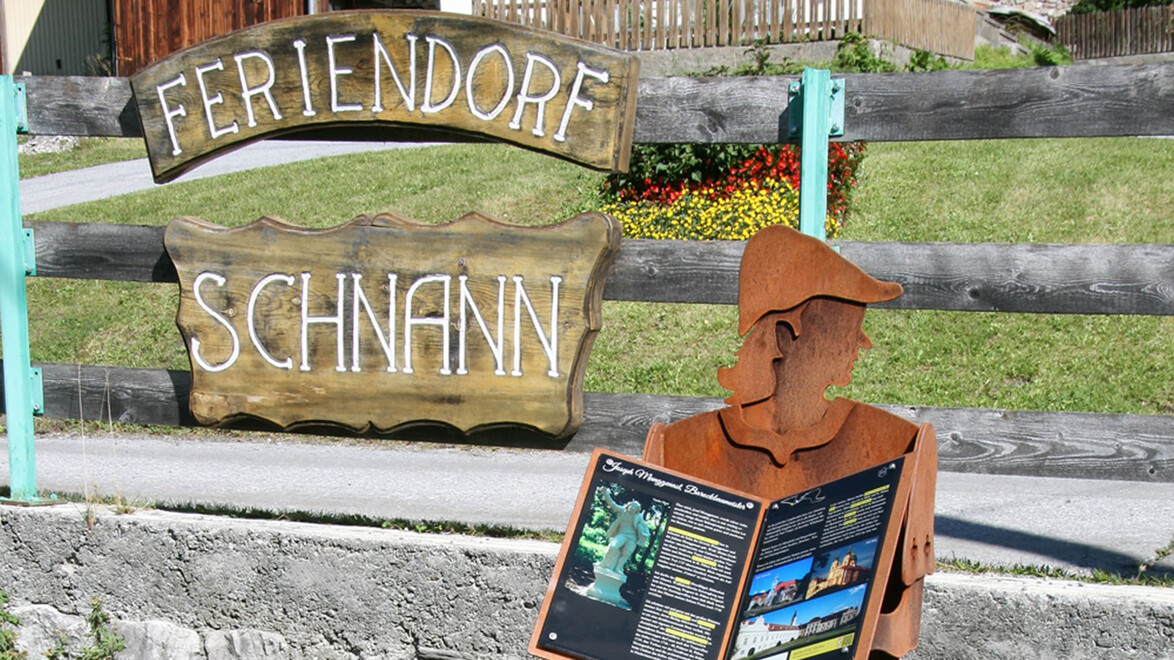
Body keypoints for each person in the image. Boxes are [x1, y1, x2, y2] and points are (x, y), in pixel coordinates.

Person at [642, 226, 937, 659]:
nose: (863, 341)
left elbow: (896, 628)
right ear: (785, 334)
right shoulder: (679, 447)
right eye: (847, 325)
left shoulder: (896, 444)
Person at [596, 487, 651, 574]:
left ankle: (618, 568)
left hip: (632, 538)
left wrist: (642, 534)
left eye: (635, 507)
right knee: (613, 546)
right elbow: (612, 504)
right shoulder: (623, 511)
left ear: (637, 510)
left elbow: (646, 530)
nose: (633, 508)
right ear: (628, 505)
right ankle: (603, 563)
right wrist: (605, 493)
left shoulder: (638, 517)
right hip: (622, 535)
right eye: (632, 505)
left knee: (626, 554)